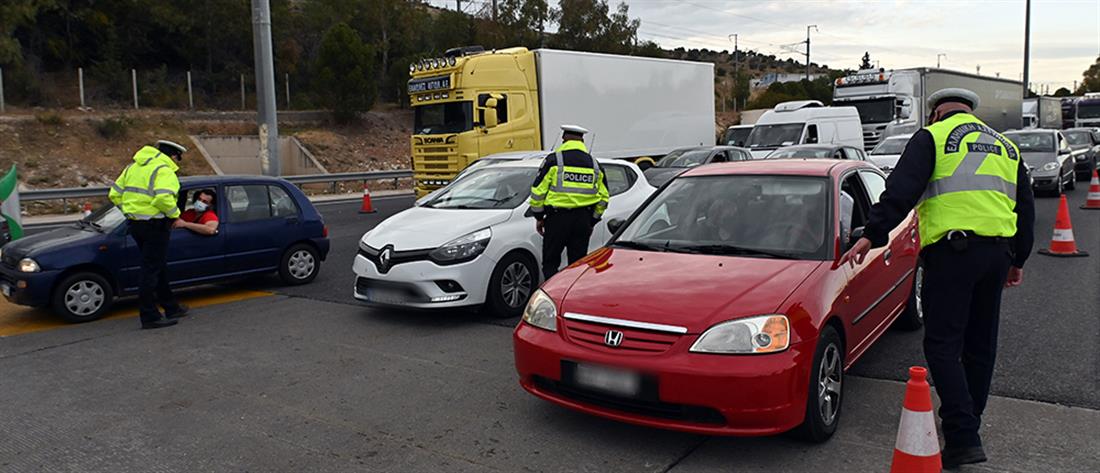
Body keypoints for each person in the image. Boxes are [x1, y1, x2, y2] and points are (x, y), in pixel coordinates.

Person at [844, 88, 1034, 469]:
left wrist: (871, 233)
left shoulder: (932, 138)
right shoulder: (1005, 147)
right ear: (970, 112)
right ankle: (968, 426)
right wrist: (1019, 258)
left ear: (935, 113)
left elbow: (900, 190)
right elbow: (1023, 207)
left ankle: (963, 436)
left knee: (943, 344)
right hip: (997, 254)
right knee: (981, 344)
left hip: (953, 253)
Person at [109, 140, 192, 330]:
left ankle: (171, 306)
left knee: (157, 266)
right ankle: (149, 316)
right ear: (173, 156)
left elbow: (114, 194)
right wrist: (175, 215)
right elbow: (163, 198)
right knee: (150, 270)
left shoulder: (132, 168)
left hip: (137, 225)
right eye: (178, 159)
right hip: (156, 225)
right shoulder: (164, 170)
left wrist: (130, 212)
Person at [528, 125, 610, 280]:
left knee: (551, 262)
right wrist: (592, 221)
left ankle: (552, 296)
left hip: (557, 219)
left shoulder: (554, 160)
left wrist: (539, 217)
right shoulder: (594, 164)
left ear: (564, 139)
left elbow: (538, 192)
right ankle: (572, 296)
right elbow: (604, 198)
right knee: (577, 264)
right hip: (582, 220)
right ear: (582, 140)